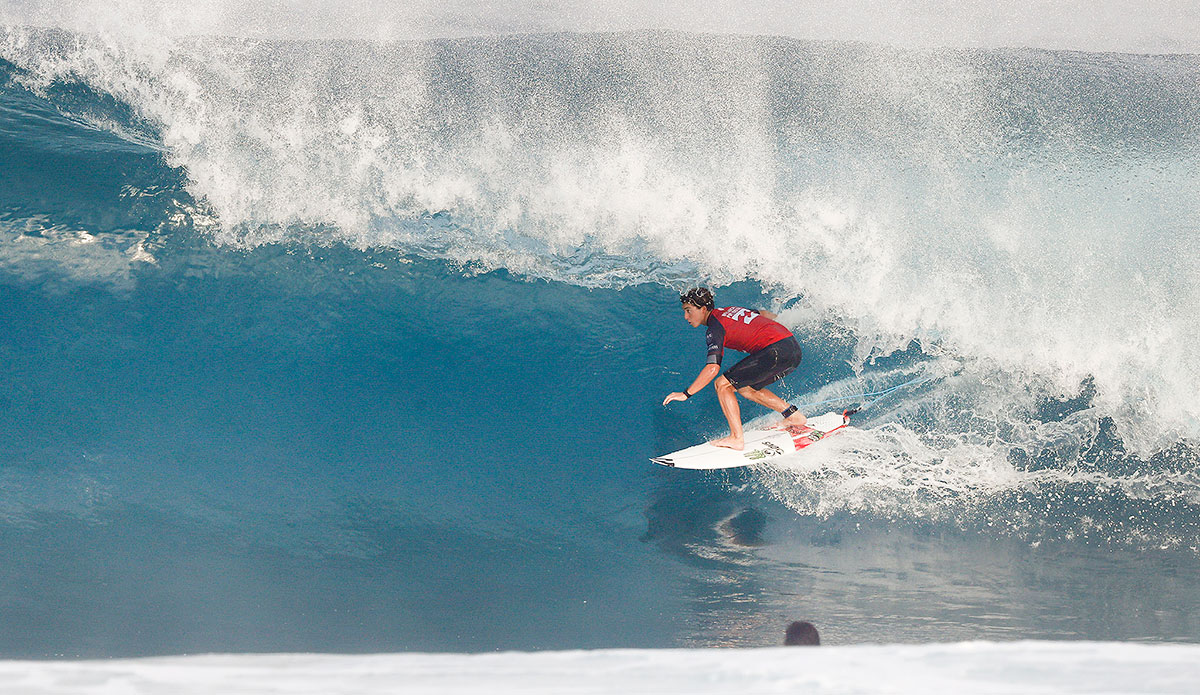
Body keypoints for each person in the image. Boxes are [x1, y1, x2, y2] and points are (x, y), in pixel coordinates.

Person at [662, 287, 806, 450]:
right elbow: (763, 314)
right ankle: (793, 416)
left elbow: (712, 369)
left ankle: (737, 438)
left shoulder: (714, 328)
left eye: (688, 311)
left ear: (703, 309)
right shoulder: (731, 311)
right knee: (745, 388)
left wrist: (686, 394)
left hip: (775, 351)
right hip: (792, 349)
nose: (685, 317)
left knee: (722, 384)